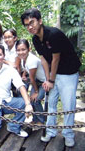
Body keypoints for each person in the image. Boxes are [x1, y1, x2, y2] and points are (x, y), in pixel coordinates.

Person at [21, 8, 81, 147]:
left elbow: (55, 59)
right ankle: (50, 131)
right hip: (54, 74)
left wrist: (51, 80)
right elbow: (43, 60)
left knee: (68, 105)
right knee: (51, 103)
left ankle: (68, 134)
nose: (30, 27)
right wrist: (47, 80)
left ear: (40, 21)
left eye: (32, 22)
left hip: (68, 73)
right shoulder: (35, 39)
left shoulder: (54, 34)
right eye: (27, 25)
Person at [16, 39, 45, 125]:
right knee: (31, 100)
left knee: (36, 99)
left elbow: (32, 78)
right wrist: (24, 75)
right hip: (37, 81)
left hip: (43, 81)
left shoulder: (32, 60)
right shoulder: (23, 58)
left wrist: (36, 92)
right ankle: (35, 119)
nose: (21, 52)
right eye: (18, 50)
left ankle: (41, 121)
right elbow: (25, 67)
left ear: (29, 49)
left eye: (23, 49)